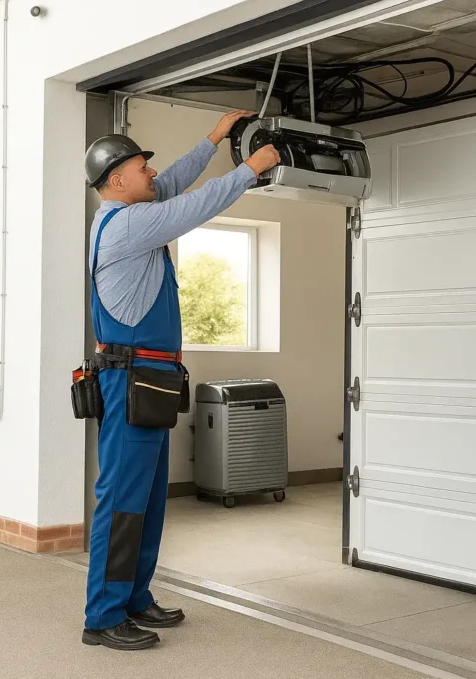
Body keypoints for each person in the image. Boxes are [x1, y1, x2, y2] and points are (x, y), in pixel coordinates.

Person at [80, 110, 280, 651]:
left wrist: (214, 139)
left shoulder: (133, 208)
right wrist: (249, 169)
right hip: (130, 383)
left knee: (147, 497)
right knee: (122, 499)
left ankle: (134, 597)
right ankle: (102, 617)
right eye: (142, 167)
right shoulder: (123, 224)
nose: (153, 174)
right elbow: (192, 204)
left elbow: (170, 184)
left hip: (153, 379)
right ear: (116, 180)